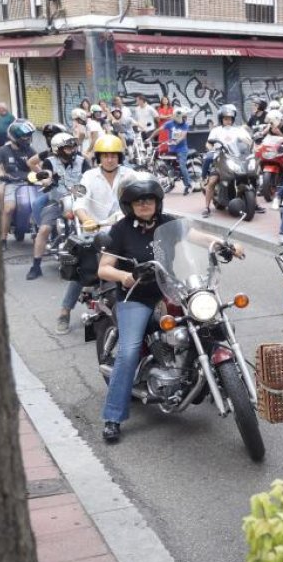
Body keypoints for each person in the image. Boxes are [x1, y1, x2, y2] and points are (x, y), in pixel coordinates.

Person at [96, 175, 244, 443]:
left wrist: (224, 245)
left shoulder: (168, 224)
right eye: (138, 201)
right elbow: (104, 267)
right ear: (129, 205)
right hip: (136, 296)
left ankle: (223, 381)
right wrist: (124, 277)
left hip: (172, 290)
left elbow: (198, 237)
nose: (144, 205)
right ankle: (113, 416)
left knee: (212, 322)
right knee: (128, 351)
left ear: (158, 202)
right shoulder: (120, 230)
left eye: (149, 200)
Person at [55, 135, 135, 334]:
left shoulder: (130, 175)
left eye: (114, 155)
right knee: (84, 267)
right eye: (105, 155)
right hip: (97, 231)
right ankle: (65, 311)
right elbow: (79, 203)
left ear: (119, 157)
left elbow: (143, 190)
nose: (110, 159)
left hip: (125, 230)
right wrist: (86, 219)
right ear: (99, 157)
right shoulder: (89, 177)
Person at [25, 134, 91, 280]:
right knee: (44, 229)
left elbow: (90, 177)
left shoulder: (82, 161)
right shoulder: (50, 161)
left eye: (73, 146)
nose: (72, 150)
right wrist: (46, 179)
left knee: (94, 224)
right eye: (68, 147)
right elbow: (47, 173)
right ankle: (36, 266)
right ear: (58, 149)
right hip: (58, 201)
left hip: (80, 201)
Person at [200, 104, 249, 217]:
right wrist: (212, 150)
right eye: (226, 118)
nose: (228, 121)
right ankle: (207, 207)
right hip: (220, 159)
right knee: (212, 181)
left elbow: (247, 140)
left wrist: (250, 143)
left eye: (230, 119)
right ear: (221, 119)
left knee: (249, 177)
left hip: (236, 159)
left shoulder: (238, 130)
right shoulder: (216, 130)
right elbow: (208, 143)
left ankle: (254, 204)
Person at [0, 119, 38, 248]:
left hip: (30, 183)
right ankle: (3, 239)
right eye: (25, 136)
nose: (28, 139)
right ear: (16, 137)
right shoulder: (2, 151)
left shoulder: (30, 150)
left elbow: (38, 165)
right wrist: (2, 176)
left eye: (29, 136)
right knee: (9, 208)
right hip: (12, 184)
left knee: (38, 205)